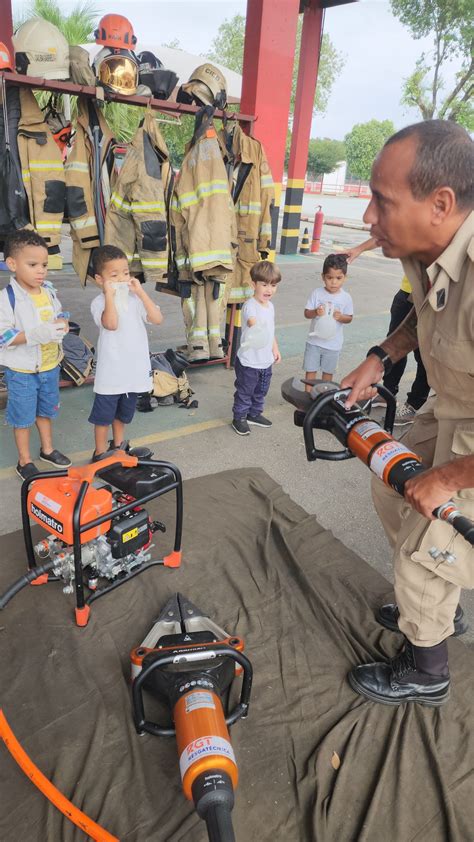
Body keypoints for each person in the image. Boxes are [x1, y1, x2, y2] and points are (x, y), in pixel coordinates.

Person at [339, 119, 474, 706]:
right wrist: (380, 356)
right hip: (452, 405)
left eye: (381, 201)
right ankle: (438, 602)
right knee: (391, 486)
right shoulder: (429, 249)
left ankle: (428, 668)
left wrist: (450, 477)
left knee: (429, 538)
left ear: (439, 204)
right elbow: (425, 317)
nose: (369, 218)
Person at [0, 230, 71, 480]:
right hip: (22, 371)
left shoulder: (48, 291)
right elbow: (3, 337)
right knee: (22, 417)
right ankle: (24, 460)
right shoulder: (6, 299)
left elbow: (60, 314)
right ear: (12, 264)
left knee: (46, 410)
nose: (41, 271)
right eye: (32, 265)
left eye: (44, 265)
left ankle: (47, 449)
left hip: (50, 365)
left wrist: (62, 323)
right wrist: (35, 335)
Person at [89, 245, 163, 459]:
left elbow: (157, 319)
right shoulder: (99, 303)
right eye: (114, 275)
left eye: (126, 273)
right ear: (100, 280)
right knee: (103, 416)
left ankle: (118, 445)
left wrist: (140, 292)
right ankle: (100, 452)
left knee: (123, 413)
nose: (122, 279)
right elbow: (110, 324)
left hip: (133, 371)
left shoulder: (136, 300)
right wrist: (110, 295)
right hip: (111, 373)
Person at [345, 236, 430, 424]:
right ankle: (388, 392)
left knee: (423, 354)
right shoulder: (419, 218)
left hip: (429, 297)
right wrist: (359, 248)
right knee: (394, 343)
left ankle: (415, 404)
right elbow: (392, 232)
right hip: (407, 293)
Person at [231, 260, 281, 436]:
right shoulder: (250, 305)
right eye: (264, 284)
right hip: (249, 361)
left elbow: (270, 330)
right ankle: (239, 417)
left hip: (265, 360)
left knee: (261, 391)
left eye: (273, 285)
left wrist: (275, 348)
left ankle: (254, 414)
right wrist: (254, 324)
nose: (269, 289)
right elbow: (253, 323)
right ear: (254, 284)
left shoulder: (271, 306)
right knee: (245, 391)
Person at [303, 253, 353, 392]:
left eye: (338, 278)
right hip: (314, 342)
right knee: (310, 371)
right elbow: (307, 313)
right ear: (323, 277)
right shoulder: (317, 293)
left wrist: (340, 317)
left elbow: (349, 318)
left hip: (333, 345)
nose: (334, 282)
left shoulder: (346, 298)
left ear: (345, 278)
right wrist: (315, 312)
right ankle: (308, 398)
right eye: (329, 278)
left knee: (327, 373)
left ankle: (324, 397)